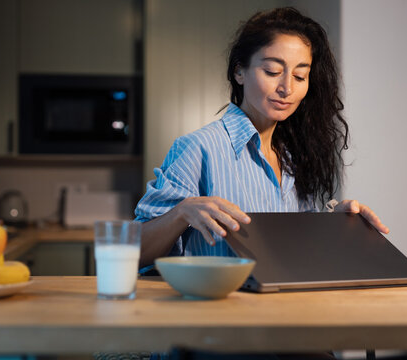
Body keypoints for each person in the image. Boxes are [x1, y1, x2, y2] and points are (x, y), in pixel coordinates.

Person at [135, 7, 389, 271]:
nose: (287, 88)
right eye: (271, 71)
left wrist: (335, 222)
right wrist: (180, 213)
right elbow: (135, 254)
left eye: (300, 76)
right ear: (239, 72)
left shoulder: (295, 156)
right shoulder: (199, 148)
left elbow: (297, 249)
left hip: (282, 309)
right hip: (219, 310)